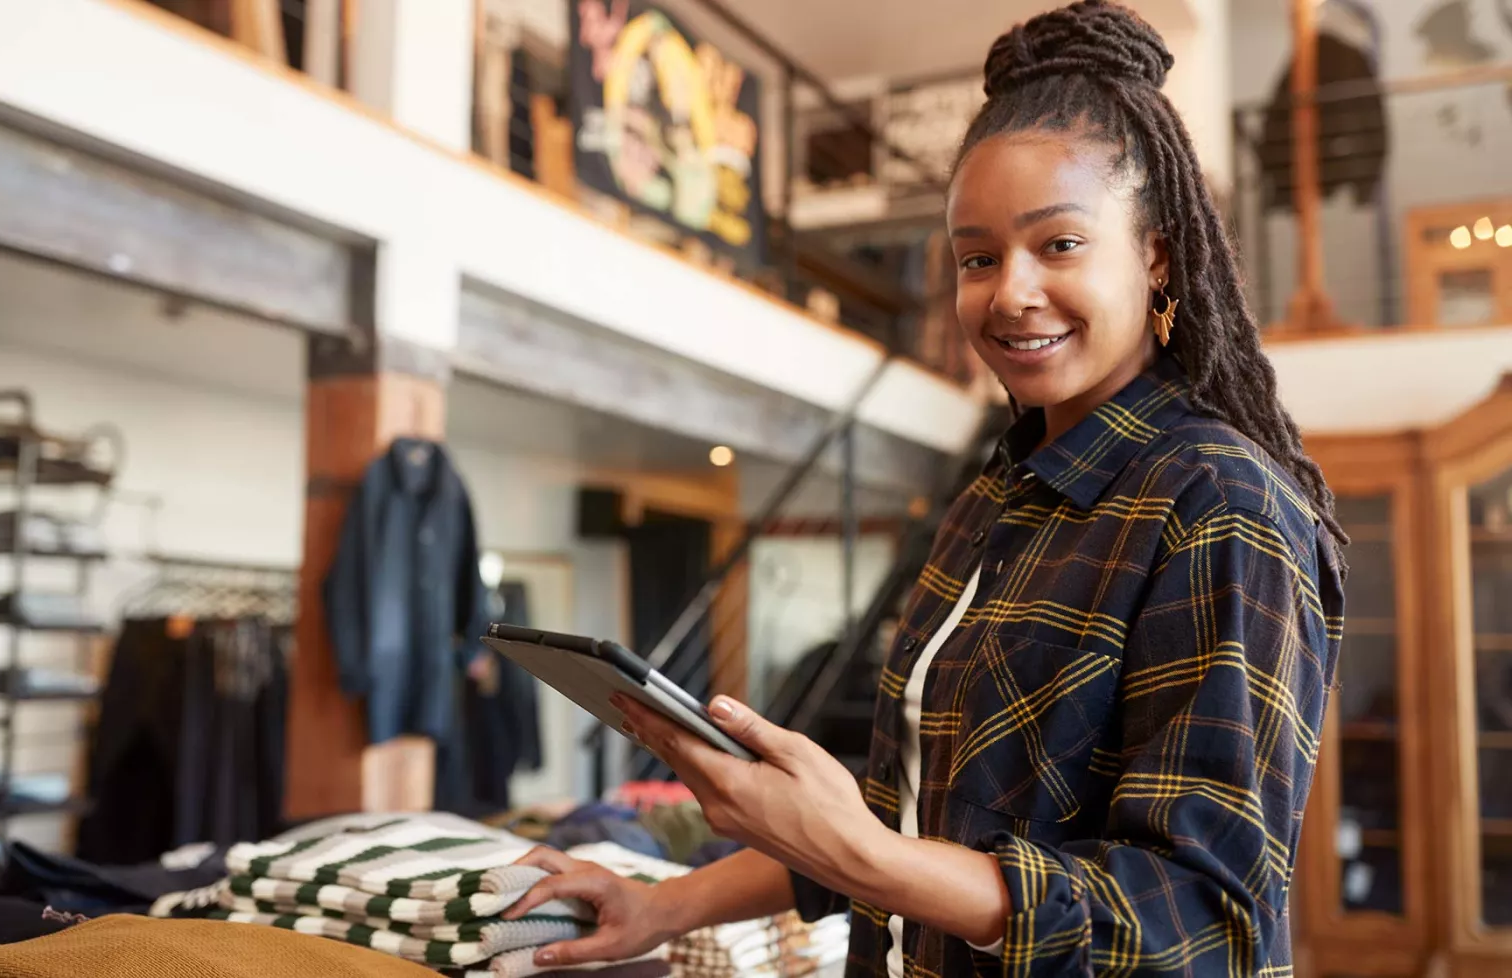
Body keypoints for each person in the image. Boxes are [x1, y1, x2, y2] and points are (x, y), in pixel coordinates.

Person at [502, 3, 1347, 975]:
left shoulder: (1220, 509)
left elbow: (1200, 920)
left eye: (1058, 244)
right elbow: (909, 819)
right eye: (977, 258)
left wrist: (867, 855)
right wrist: (664, 904)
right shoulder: (992, 506)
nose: (1010, 293)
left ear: (1157, 250)